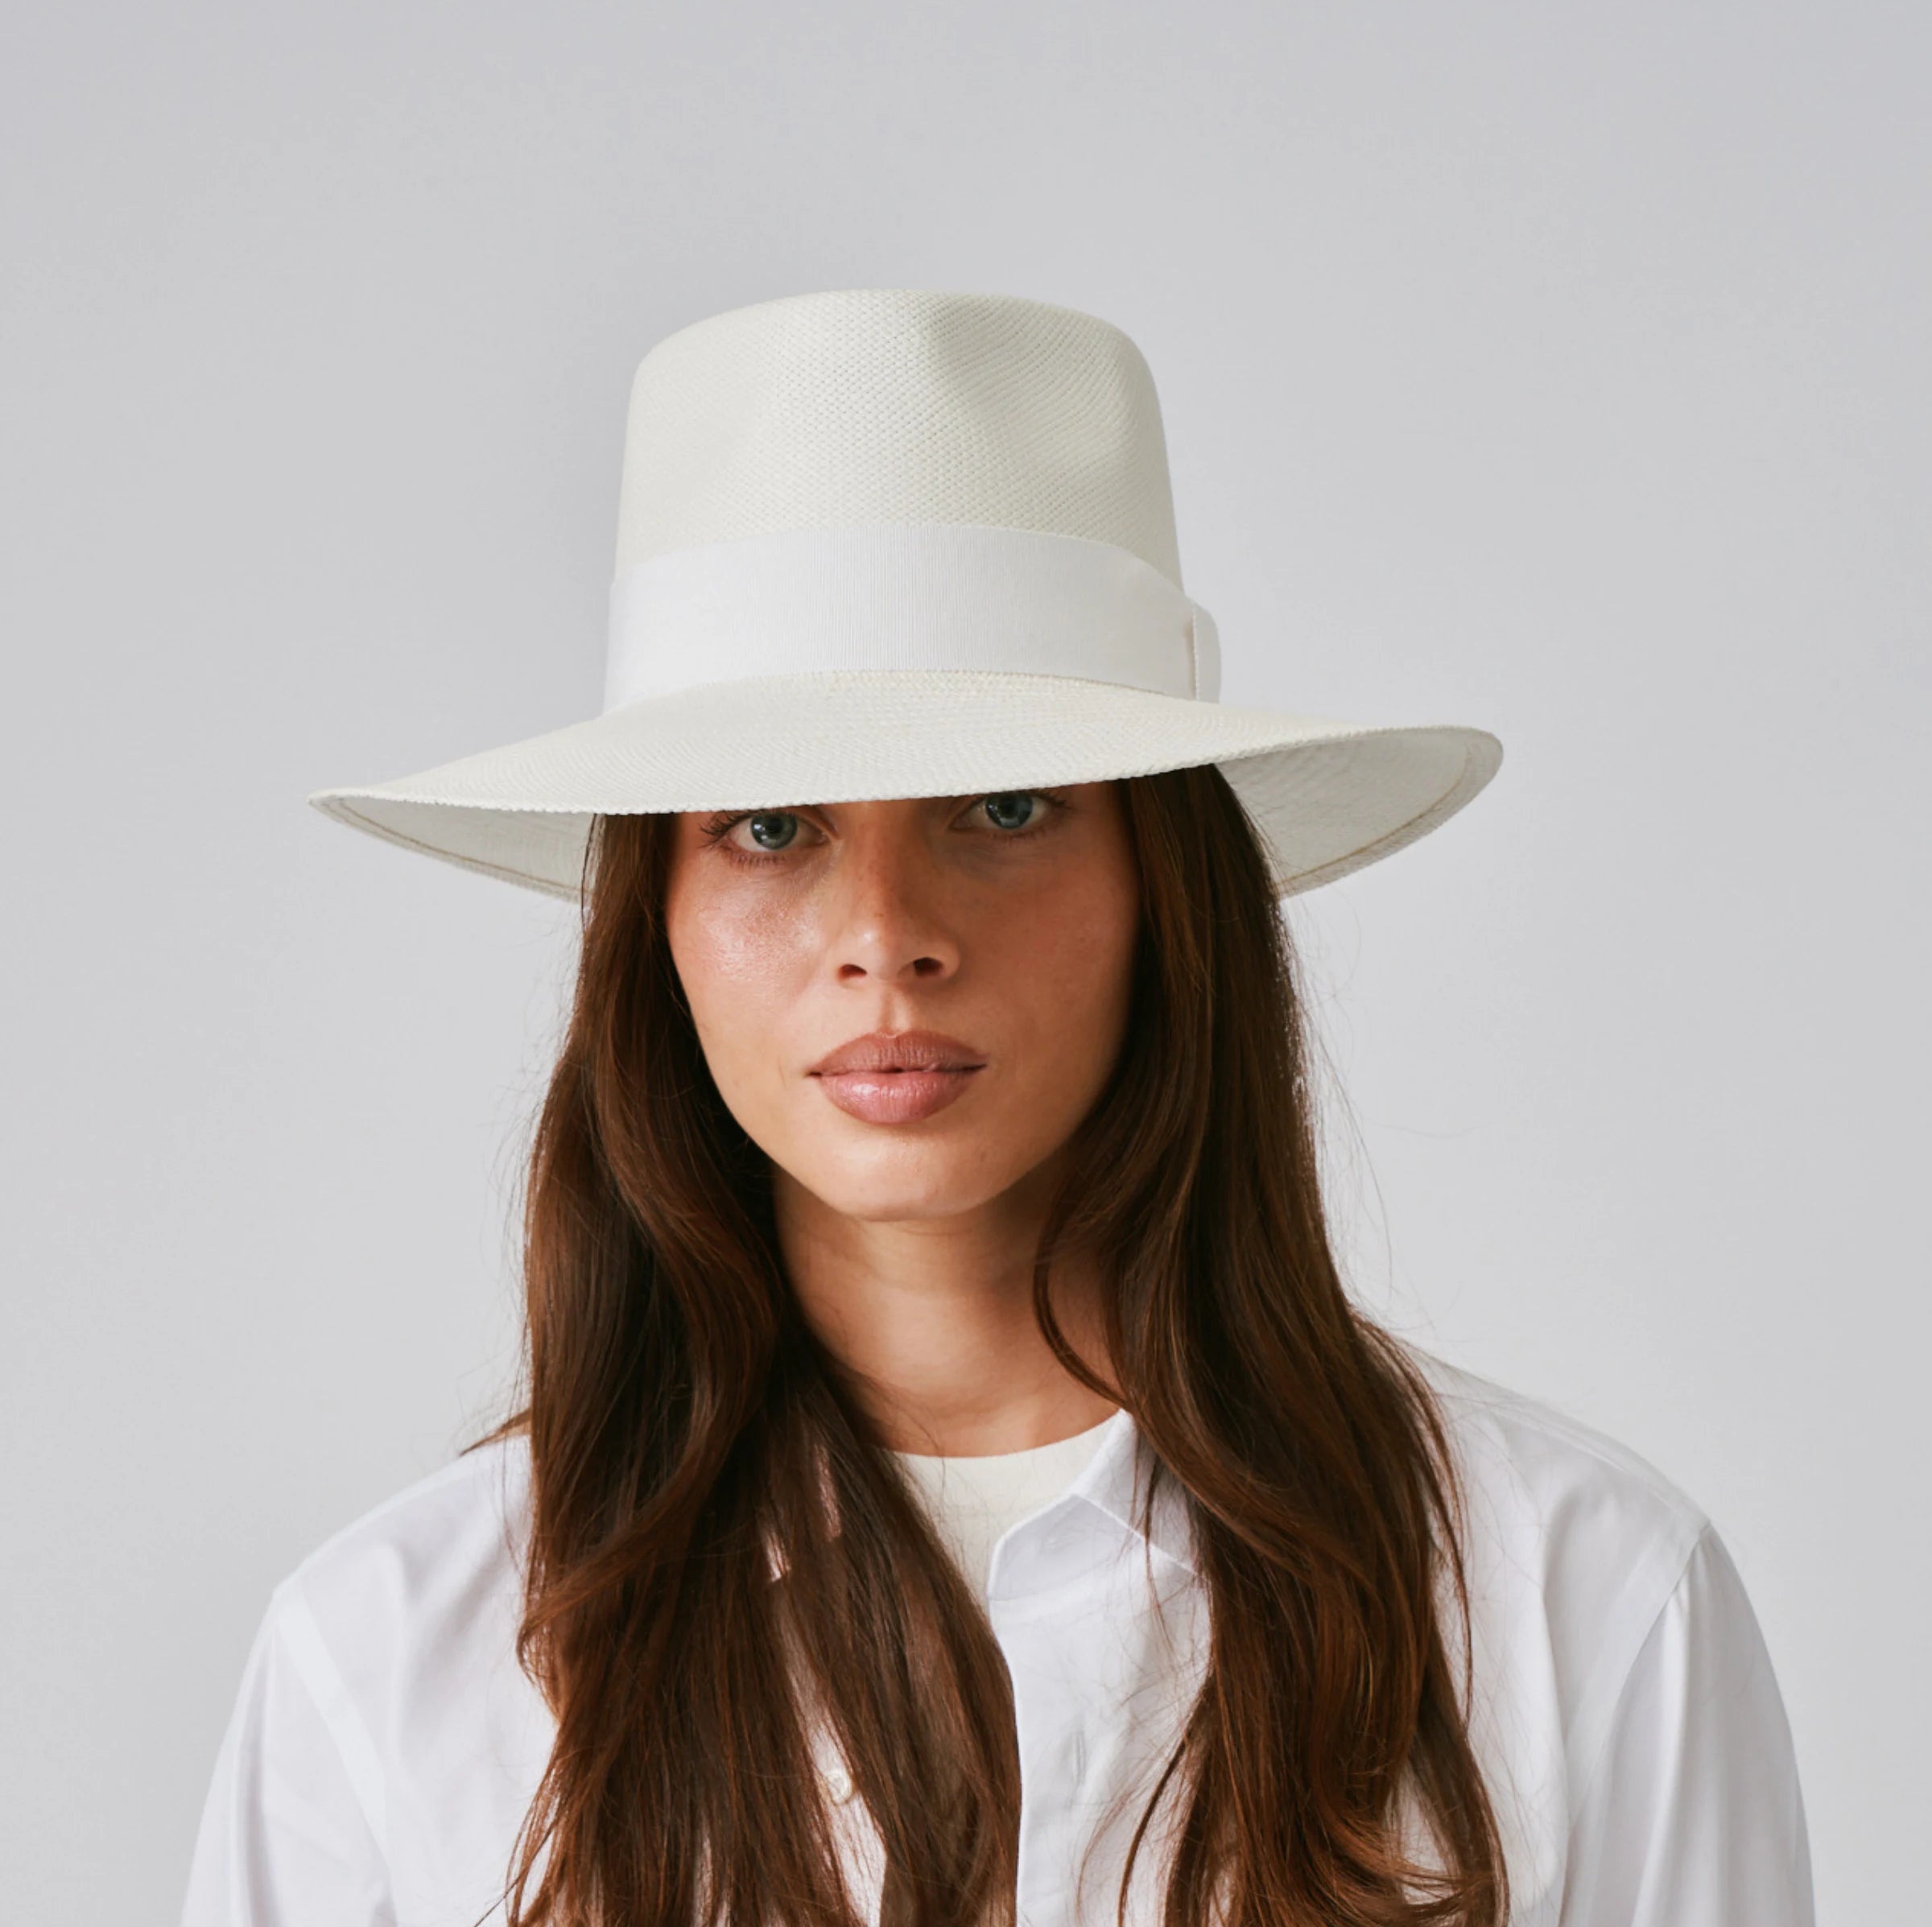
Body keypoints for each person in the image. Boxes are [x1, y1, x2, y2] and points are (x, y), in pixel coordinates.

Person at [180, 288, 1813, 1927]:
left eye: (1007, 805)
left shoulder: (1579, 1600)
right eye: (770, 827)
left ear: (1164, 883)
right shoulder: (392, 1662)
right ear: (651, 919)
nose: (888, 935)